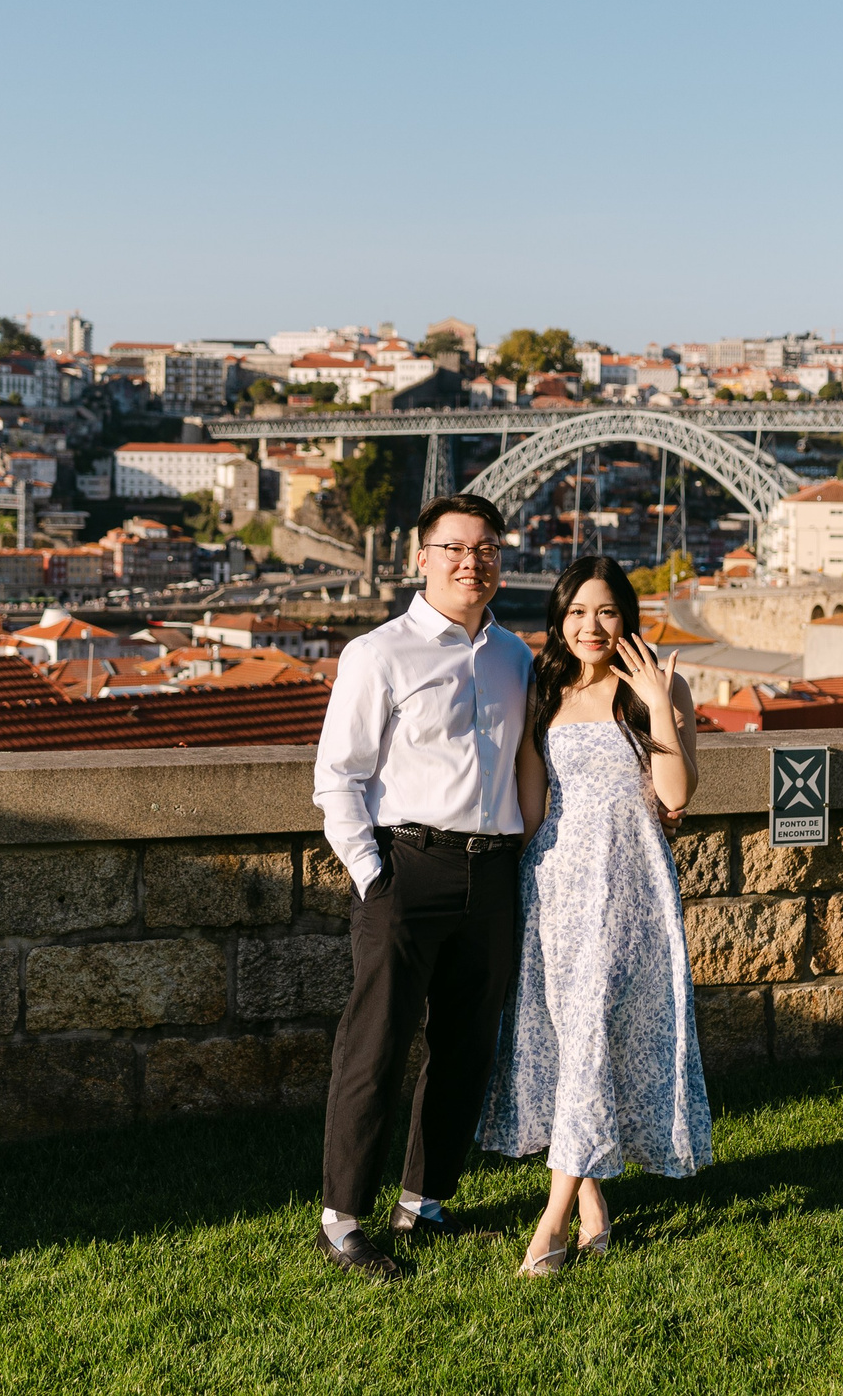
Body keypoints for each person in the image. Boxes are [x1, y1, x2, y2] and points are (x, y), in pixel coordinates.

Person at [309, 492, 535, 1282]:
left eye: (486, 549)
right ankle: (342, 1222)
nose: (471, 562)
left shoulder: (517, 657)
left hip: (494, 870)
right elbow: (337, 778)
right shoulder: (378, 653)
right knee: (374, 1047)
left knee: (466, 1048)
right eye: (454, 548)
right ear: (420, 558)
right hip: (409, 867)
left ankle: (425, 1201)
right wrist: (375, 880)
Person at [480, 553, 713, 1277]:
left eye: (605, 611)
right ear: (559, 619)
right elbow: (530, 801)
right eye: (577, 611)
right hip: (554, 884)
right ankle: (592, 1207)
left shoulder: (657, 686)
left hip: (629, 884)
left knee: (588, 1036)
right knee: (571, 1037)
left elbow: (676, 796)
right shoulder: (543, 688)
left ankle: (548, 1224)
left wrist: (660, 701)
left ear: (625, 618)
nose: (590, 625)